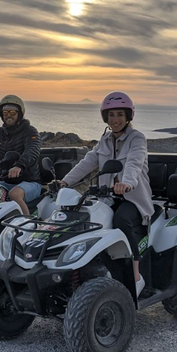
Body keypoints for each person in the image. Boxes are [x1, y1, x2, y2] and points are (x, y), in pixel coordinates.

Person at [59, 91, 154, 296]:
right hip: (107, 197)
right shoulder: (105, 139)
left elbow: (134, 163)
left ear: (128, 116)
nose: (116, 119)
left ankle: (136, 276)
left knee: (122, 220)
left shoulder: (137, 138)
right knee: (82, 218)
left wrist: (126, 183)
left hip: (133, 198)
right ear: (106, 118)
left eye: (120, 114)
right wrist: (65, 181)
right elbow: (87, 162)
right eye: (111, 115)